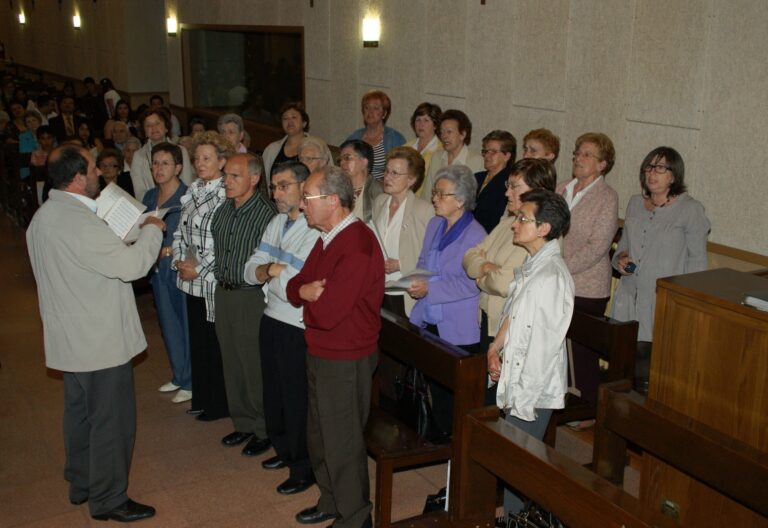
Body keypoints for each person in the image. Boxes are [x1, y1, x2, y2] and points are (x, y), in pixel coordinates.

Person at [27, 145, 164, 522]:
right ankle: (108, 500)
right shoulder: (78, 223)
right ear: (77, 177)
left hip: (69, 338)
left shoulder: (44, 216)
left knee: (80, 416)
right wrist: (152, 230)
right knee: (111, 422)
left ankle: (82, 482)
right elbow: (134, 266)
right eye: (91, 168)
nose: (98, 175)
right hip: (99, 342)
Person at [287, 165, 384, 528]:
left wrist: (307, 297)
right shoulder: (327, 237)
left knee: (342, 441)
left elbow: (327, 313)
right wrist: (305, 291)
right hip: (321, 350)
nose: (301, 205)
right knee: (320, 435)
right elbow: (295, 284)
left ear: (332, 201)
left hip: (346, 356)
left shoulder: (357, 244)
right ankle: (331, 499)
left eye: (307, 198)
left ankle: (356, 517)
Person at [487, 188, 574, 517]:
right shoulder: (533, 263)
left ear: (544, 229)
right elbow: (514, 312)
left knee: (519, 463)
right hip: (517, 376)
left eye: (523, 218)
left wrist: (521, 400)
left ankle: (515, 520)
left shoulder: (552, 276)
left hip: (532, 389)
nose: (514, 223)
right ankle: (511, 519)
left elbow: (543, 349)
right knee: (512, 458)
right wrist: (495, 347)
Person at [244, 160, 320, 494]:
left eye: (284, 186)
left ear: (304, 189)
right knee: (272, 392)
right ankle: (284, 450)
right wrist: (270, 271)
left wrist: (271, 272)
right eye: (273, 186)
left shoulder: (313, 228)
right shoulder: (276, 222)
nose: (276, 193)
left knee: (295, 396)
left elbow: (296, 282)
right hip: (270, 317)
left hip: (295, 323)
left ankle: (303, 467)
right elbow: (250, 270)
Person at [611, 147, 710, 393]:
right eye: (649, 167)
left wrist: (686, 308)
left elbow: (697, 264)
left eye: (661, 168)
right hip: (628, 299)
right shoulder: (635, 203)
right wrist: (620, 260)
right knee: (621, 374)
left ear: (674, 175)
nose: (652, 173)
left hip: (660, 305)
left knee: (649, 377)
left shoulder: (690, 209)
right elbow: (621, 248)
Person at [408, 164, 486, 441]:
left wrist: (431, 289)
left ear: (461, 200)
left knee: (453, 394)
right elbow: (421, 261)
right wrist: (416, 282)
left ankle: (455, 442)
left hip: (458, 325)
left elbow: (471, 282)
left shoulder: (476, 235)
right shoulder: (434, 224)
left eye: (442, 194)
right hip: (429, 315)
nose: (434, 198)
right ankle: (440, 435)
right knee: (434, 383)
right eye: (435, 192)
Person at [211, 153, 277, 455]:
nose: (227, 181)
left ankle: (264, 428)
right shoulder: (223, 210)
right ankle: (243, 422)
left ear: (254, 178)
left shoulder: (266, 214)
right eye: (226, 175)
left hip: (250, 296)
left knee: (252, 362)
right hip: (223, 292)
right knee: (231, 360)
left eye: (234, 176)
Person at [464, 158, 557, 353]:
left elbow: (504, 284)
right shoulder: (508, 222)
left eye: (515, 187)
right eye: (508, 185)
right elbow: (469, 256)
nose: (507, 193)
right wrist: (488, 268)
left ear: (537, 191)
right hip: (488, 318)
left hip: (511, 329)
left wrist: (481, 273)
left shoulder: (538, 231)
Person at [171, 131, 233, 421]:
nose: (200, 163)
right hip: (190, 277)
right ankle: (203, 397)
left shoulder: (226, 193)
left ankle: (218, 404)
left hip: (211, 279)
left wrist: (200, 267)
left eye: (207, 158)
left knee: (214, 343)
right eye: (196, 158)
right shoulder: (193, 189)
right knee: (198, 341)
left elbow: (224, 242)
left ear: (222, 161)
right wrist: (178, 261)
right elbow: (179, 231)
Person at [556, 132, 618, 415]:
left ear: (603, 164)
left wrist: (559, 267)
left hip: (586, 286)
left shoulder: (606, 197)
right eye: (577, 153)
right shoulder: (561, 188)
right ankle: (562, 400)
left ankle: (589, 408)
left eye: (587, 155)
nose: (578, 159)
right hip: (555, 280)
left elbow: (598, 246)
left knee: (582, 352)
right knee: (556, 348)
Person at [142, 142, 191, 404]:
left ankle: (191, 380)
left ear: (178, 167)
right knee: (167, 323)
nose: (158, 168)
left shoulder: (187, 197)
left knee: (183, 322)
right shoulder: (149, 197)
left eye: (165, 163)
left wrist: (171, 250)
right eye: (155, 163)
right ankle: (179, 374)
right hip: (157, 270)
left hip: (178, 270)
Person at [371, 146, 434, 317]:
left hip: (404, 291)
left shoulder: (424, 210)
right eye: (387, 171)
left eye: (395, 173)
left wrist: (401, 264)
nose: (387, 177)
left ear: (411, 179)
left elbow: (431, 256)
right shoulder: (380, 202)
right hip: (377, 287)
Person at [131, 108, 194, 200]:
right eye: (148, 125)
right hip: (151, 207)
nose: (154, 128)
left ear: (166, 127)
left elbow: (187, 184)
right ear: (144, 131)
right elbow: (139, 192)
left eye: (157, 123)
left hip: (179, 204)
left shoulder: (181, 151)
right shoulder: (138, 156)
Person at [419, 109, 483, 197]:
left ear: (463, 134)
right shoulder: (437, 157)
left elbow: (474, 198)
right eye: (442, 132)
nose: (444, 136)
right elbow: (427, 194)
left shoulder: (477, 161)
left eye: (449, 132)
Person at [345, 90, 406, 179]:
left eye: (376, 108)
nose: (370, 112)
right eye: (366, 108)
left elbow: (403, 170)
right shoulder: (355, 137)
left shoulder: (395, 138)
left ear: (384, 114)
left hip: (384, 188)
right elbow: (344, 165)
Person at [473, 130, 517, 233]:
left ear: (507, 156)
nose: (487, 155)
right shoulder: (476, 177)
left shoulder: (509, 184)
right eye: (485, 151)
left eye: (493, 152)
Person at [338, 139, 383, 222]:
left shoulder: (379, 192)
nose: (342, 163)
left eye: (347, 158)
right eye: (340, 159)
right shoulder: (337, 189)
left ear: (364, 162)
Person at [261, 101, 309, 179]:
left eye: (294, 117)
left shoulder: (317, 147)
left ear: (304, 123)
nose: (289, 121)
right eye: (285, 118)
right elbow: (263, 181)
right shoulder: (271, 149)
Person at [405, 102, 443, 178]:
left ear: (435, 125)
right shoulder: (406, 147)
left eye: (426, 120)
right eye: (418, 120)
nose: (421, 124)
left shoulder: (441, 151)